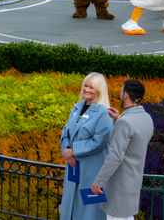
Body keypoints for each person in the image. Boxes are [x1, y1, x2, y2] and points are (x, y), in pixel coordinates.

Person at [91, 78, 153, 220]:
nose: (119, 91)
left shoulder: (125, 122)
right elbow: (136, 139)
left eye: (121, 89)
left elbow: (115, 156)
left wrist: (98, 182)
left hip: (118, 186)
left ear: (126, 94)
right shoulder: (147, 118)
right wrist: (119, 118)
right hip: (134, 181)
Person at [58, 72, 115, 220]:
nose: (87, 89)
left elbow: (99, 141)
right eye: (86, 85)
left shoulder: (104, 113)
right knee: (69, 206)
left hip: (91, 171)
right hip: (73, 168)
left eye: (92, 87)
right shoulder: (76, 108)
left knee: (88, 211)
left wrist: (73, 152)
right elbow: (65, 132)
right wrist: (65, 150)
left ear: (100, 90)